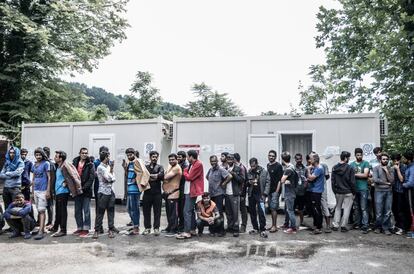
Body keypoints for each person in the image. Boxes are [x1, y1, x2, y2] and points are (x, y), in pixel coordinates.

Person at [176, 150, 204, 240]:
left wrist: (184, 171)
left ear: (192, 157)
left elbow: (190, 177)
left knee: (186, 211)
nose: (187, 158)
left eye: (188, 156)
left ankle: (187, 232)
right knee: (190, 211)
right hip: (188, 190)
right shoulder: (192, 165)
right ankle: (192, 229)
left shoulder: (198, 164)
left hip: (192, 191)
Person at [124, 148, 150, 235]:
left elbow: (145, 173)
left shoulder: (138, 161)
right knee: (129, 209)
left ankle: (136, 227)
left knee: (135, 209)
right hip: (129, 189)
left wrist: (138, 181)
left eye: (130, 155)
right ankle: (135, 225)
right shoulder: (129, 163)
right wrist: (125, 168)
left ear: (134, 154)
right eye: (127, 155)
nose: (129, 156)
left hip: (135, 190)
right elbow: (129, 175)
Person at [205, 155, 232, 237]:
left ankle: (221, 230)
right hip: (212, 194)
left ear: (217, 161)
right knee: (212, 212)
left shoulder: (221, 169)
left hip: (219, 194)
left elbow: (230, 176)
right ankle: (213, 229)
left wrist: (223, 183)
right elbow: (207, 177)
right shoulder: (210, 170)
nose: (213, 163)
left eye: (214, 161)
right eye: (211, 161)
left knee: (219, 212)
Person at [93, 151, 116, 239]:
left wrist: (112, 171)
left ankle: (111, 229)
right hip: (103, 192)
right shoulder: (100, 167)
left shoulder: (109, 167)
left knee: (111, 211)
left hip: (110, 192)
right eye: (108, 156)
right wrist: (111, 177)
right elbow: (109, 178)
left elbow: (113, 178)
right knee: (100, 211)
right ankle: (97, 230)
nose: (109, 158)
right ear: (106, 157)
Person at [331, 151, 356, 232]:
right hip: (348, 192)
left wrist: (335, 191)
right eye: (348, 157)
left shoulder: (334, 168)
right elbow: (352, 182)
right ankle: (343, 226)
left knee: (338, 208)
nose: (349, 159)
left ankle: (335, 225)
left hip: (338, 192)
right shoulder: (350, 168)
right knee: (347, 209)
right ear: (345, 158)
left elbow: (333, 181)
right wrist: (354, 192)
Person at [73, 148, 95, 237]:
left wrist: (84, 188)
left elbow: (91, 178)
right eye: (83, 153)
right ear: (80, 153)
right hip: (77, 190)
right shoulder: (75, 162)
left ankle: (86, 229)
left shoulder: (90, 164)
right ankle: (79, 228)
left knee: (86, 211)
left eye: (86, 153)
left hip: (86, 191)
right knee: (77, 210)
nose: (84, 155)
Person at [247, 157, 270, 238]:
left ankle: (262, 229)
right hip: (251, 195)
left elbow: (268, 182)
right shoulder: (249, 171)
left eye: (253, 166)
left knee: (261, 212)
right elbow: (246, 182)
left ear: (257, 164)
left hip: (260, 195)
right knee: (252, 212)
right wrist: (249, 182)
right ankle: (255, 228)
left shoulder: (264, 171)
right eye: (251, 166)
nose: (252, 167)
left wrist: (265, 194)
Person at [142, 151, 164, 236]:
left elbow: (161, 176)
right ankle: (147, 228)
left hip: (157, 194)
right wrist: (155, 176)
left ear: (157, 158)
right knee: (146, 212)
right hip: (147, 193)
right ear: (150, 157)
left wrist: (151, 176)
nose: (154, 158)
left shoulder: (160, 167)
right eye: (153, 157)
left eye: (156, 157)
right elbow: (143, 177)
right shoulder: (145, 167)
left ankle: (156, 228)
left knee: (157, 212)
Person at [31, 148, 51, 240]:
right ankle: (41, 227)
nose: (38, 156)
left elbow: (49, 178)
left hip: (43, 191)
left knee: (42, 210)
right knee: (39, 210)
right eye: (36, 155)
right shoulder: (34, 165)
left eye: (40, 155)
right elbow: (33, 178)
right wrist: (32, 191)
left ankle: (41, 231)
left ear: (43, 155)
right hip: (36, 190)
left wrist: (48, 191)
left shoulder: (46, 164)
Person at [373, 153, 395, 235]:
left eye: (386, 159)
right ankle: (378, 227)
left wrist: (386, 171)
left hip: (389, 192)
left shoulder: (391, 169)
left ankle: (385, 228)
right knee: (379, 212)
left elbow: (392, 181)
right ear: (380, 160)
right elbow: (375, 180)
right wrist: (387, 183)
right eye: (383, 159)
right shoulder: (376, 168)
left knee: (387, 211)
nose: (385, 160)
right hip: (378, 191)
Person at [350, 148, 371, 233]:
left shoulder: (366, 163)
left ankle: (365, 225)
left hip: (363, 188)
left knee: (363, 208)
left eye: (360, 155)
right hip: (355, 189)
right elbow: (350, 177)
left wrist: (354, 174)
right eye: (358, 155)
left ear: (362, 155)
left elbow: (365, 175)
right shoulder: (351, 164)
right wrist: (359, 175)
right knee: (356, 208)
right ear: (355, 155)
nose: (359, 156)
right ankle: (357, 224)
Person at [223, 154, 244, 237]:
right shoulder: (224, 169)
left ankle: (236, 229)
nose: (230, 161)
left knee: (235, 212)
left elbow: (241, 180)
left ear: (234, 160)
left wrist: (234, 174)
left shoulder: (238, 168)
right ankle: (230, 227)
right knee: (228, 212)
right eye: (228, 159)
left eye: (231, 159)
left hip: (234, 194)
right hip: (226, 194)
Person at [162, 153, 182, 236]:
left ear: (177, 159)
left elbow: (165, 177)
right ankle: (169, 227)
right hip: (168, 194)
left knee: (173, 213)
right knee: (169, 212)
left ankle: (173, 230)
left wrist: (164, 177)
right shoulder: (171, 167)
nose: (171, 161)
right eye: (170, 160)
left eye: (173, 159)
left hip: (174, 193)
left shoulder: (176, 168)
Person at [278, 152, 298, 234]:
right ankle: (286, 224)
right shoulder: (292, 166)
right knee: (287, 210)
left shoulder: (288, 169)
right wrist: (287, 181)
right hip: (290, 192)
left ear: (282, 160)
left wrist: (285, 180)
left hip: (290, 193)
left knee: (290, 210)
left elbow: (282, 180)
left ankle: (293, 227)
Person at [0, 146, 24, 211]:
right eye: (10, 153)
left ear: (17, 153)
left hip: (15, 188)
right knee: (7, 208)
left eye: (13, 153)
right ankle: (8, 221)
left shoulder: (20, 162)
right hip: (6, 188)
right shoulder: (7, 163)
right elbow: (1, 175)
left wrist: (7, 173)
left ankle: (16, 221)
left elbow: (18, 173)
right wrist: (12, 174)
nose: (12, 154)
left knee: (16, 208)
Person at [390, 152, 409, 235]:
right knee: (395, 209)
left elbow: (402, 179)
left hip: (401, 191)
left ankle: (403, 228)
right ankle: (397, 226)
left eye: (397, 160)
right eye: (394, 160)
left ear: (400, 159)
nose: (396, 162)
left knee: (401, 210)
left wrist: (397, 170)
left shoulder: (404, 167)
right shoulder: (391, 167)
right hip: (394, 191)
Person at [306, 153, 325, 234]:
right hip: (313, 190)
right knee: (313, 209)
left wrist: (308, 170)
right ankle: (315, 225)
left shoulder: (319, 168)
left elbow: (310, 178)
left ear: (314, 160)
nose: (309, 161)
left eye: (310, 159)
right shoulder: (315, 167)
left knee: (317, 209)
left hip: (316, 191)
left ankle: (318, 228)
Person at [93, 145, 109, 234]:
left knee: (109, 208)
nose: (104, 154)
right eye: (103, 152)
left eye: (106, 152)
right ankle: (99, 227)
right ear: (99, 153)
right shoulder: (96, 162)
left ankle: (110, 227)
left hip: (108, 188)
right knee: (99, 208)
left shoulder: (109, 162)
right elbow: (94, 174)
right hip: (98, 188)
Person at [267, 150, 283, 233]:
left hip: (275, 190)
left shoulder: (278, 166)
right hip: (269, 191)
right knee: (271, 208)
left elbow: (280, 180)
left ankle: (274, 226)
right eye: (270, 155)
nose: (271, 157)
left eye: (273, 156)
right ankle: (272, 225)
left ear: (275, 157)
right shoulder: (268, 165)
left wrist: (277, 192)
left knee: (274, 208)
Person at [234, 152, 249, 233]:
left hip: (241, 193)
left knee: (243, 210)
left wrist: (242, 194)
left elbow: (243, 182)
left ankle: (243, 226)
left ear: (235, 159)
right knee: (238, 210)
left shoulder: (241, 168)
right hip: (237, 192)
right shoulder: (235, 167)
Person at [43, 147, 55, 230]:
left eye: (47, 152)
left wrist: (51, 190)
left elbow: (53, 177)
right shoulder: (41, 162)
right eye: (44, 152)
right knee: (41, 205)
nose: (45, 153)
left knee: (49, 205)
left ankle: (50, 222)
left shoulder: (51, 163)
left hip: (49, 187)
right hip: (41, 187)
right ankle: (40, 221)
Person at [294, 153, 308, 227]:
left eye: (300, 158)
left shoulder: (305, 168)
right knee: (292, 208)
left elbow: (307, 178)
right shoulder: (293, 168)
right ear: (295, 159)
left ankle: (301, 222)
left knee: (301, 208)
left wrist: (305, 186)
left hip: (302, 192)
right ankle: (291, 223)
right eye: (297, 159)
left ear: (302, 159)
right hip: (294, 191)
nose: (299, 160)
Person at [402, 150, 414, 238]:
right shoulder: (408, 167)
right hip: (408, 191)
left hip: (410, 191)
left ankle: (412, 231)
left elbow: (411, 183)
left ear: (408, 159)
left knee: (411, 210)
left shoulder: (412, 168)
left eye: (404, 158)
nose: (402, 159)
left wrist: (403, 184)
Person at [177, 151, 188, 233]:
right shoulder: (178, 165)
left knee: (182, 209)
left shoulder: (185, 166)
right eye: (177, 157)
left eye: (180, 157)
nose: (178, 158)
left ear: (184, 158)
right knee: (179, 209)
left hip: (183, 190)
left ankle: (182, 226)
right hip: (179, 189)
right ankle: (180, 225)